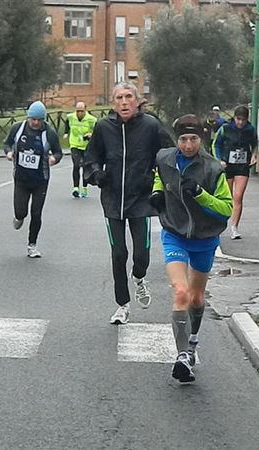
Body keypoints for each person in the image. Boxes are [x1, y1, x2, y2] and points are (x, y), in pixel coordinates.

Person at [150, 114, 233, 383]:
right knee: (181, 291)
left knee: (196, 297)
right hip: (174, 232)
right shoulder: (164, 159)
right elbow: (160, 177)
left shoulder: (213, 169)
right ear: (177, 140)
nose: (188, 145)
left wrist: (200, 194)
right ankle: (182, 355)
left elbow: (227, 209)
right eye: (183, 139)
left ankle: (193, 341)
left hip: (204, 238)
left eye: (193, 139)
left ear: (201, 139)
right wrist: (158, 192)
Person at [83, 81, 174, 324]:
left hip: (141, 200)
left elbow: (168, 156)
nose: (124, 102)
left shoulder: (151, 126)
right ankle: (122, 305)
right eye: (119, 98)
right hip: (112, 200)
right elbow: (91, 159)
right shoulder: (104, 127)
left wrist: (157, 181)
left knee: (141, 254)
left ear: (137, 100)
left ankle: (139, 277)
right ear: (113, 103)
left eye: (128, 97)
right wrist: (96, 174)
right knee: (118, 253)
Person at [3, 101, 63, 258]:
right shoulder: (18, 128)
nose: (36, 123)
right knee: (21, 212)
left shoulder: (49, 133)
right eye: (33, 119)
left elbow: (58, 152)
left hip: (40, 180)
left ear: (43, 120)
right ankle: (19, 216)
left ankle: (32, 245)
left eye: (39, 120)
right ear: (28, 118)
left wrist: (53, 160)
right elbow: (7, 143)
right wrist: (9, 153)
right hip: (21, 179)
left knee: (36, 213)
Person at [212, 105, 258, 240]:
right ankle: (219, 225)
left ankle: (234, 227)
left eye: (243, 120)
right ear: (234, 118)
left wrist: (254, 155)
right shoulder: (225, 129)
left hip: (242, 166)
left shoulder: (250, 129)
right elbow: (215, 144)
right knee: (227, 196)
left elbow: (255, 144)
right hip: (227, 166)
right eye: (238, 119)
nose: (240, 122)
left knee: (238, 196)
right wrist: (219, 160)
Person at [64, 101, 97, 198]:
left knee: (85, 167)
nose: (79, 113)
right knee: (76, 165)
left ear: (85, 110)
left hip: (86, 146)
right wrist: (66, 132)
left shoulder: (91, 119)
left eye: (81, 111)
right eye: (78, 111)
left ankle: (84, 188)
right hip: (74, 144)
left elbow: (98, 130)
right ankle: (75, 188)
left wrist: (91, 135)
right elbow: (67, 122)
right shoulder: (71, 117)